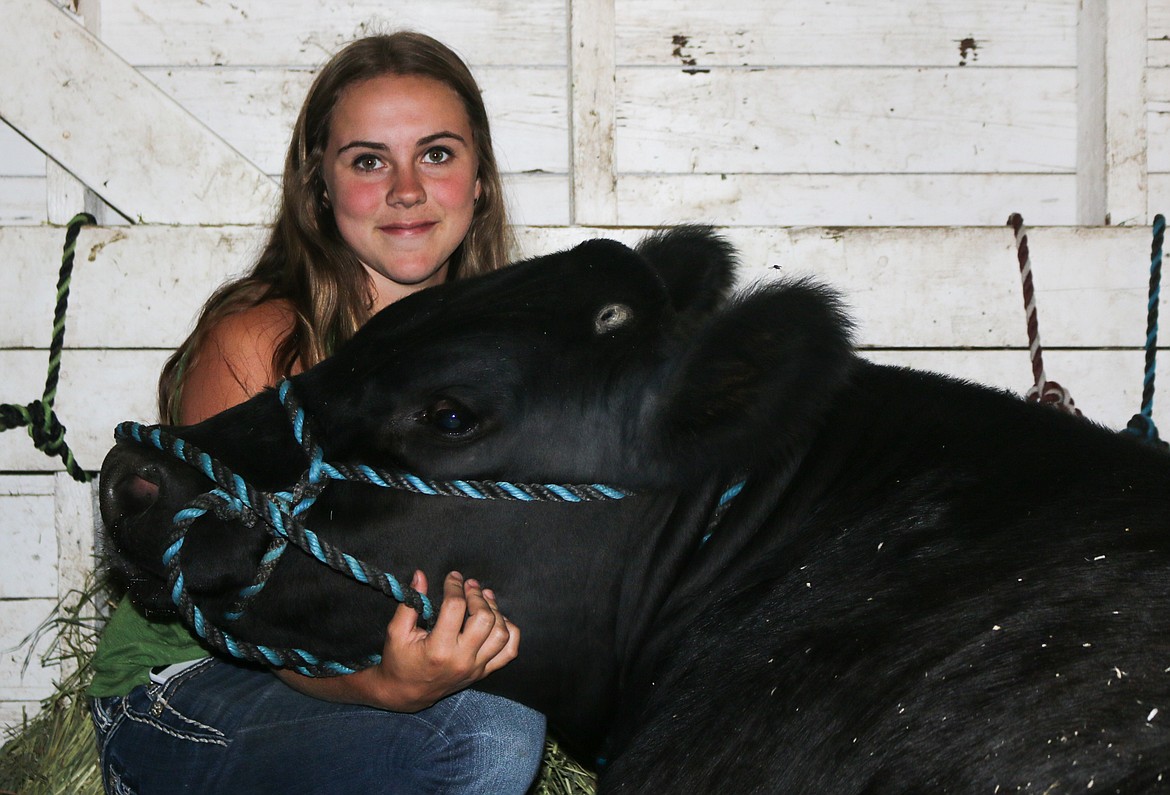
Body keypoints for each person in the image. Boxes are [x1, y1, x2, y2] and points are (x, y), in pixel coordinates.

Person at [88, 31, 547, 794]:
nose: (407, 188)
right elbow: (240, 612)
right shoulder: (263, 345)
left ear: (480, 180)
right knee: (488, 740)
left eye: (436, 153)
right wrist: (379, 685)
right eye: (368, 160)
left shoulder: (514, 360)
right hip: (192, 686)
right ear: (319, 187)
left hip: (373, 687)